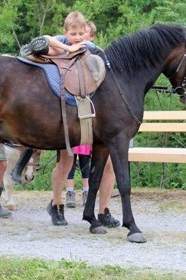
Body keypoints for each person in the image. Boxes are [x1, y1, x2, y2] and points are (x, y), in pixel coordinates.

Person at [65, 21, 120, 228]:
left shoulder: (99, 58)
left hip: (99, 118)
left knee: (108, 165)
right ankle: (58, 202)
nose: (82, 39)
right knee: (66, 162)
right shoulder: (71, 55)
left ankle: (103, 210)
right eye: (78, 35)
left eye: (85, 35)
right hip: (79, 118)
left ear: (92, 37)